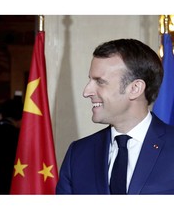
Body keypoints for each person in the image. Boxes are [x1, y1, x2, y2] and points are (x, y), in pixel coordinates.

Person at [56, 38, 174, 194]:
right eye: (90, 80)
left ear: (135, 88)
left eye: (100, 82)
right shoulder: (78, 154)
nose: (86, 92)